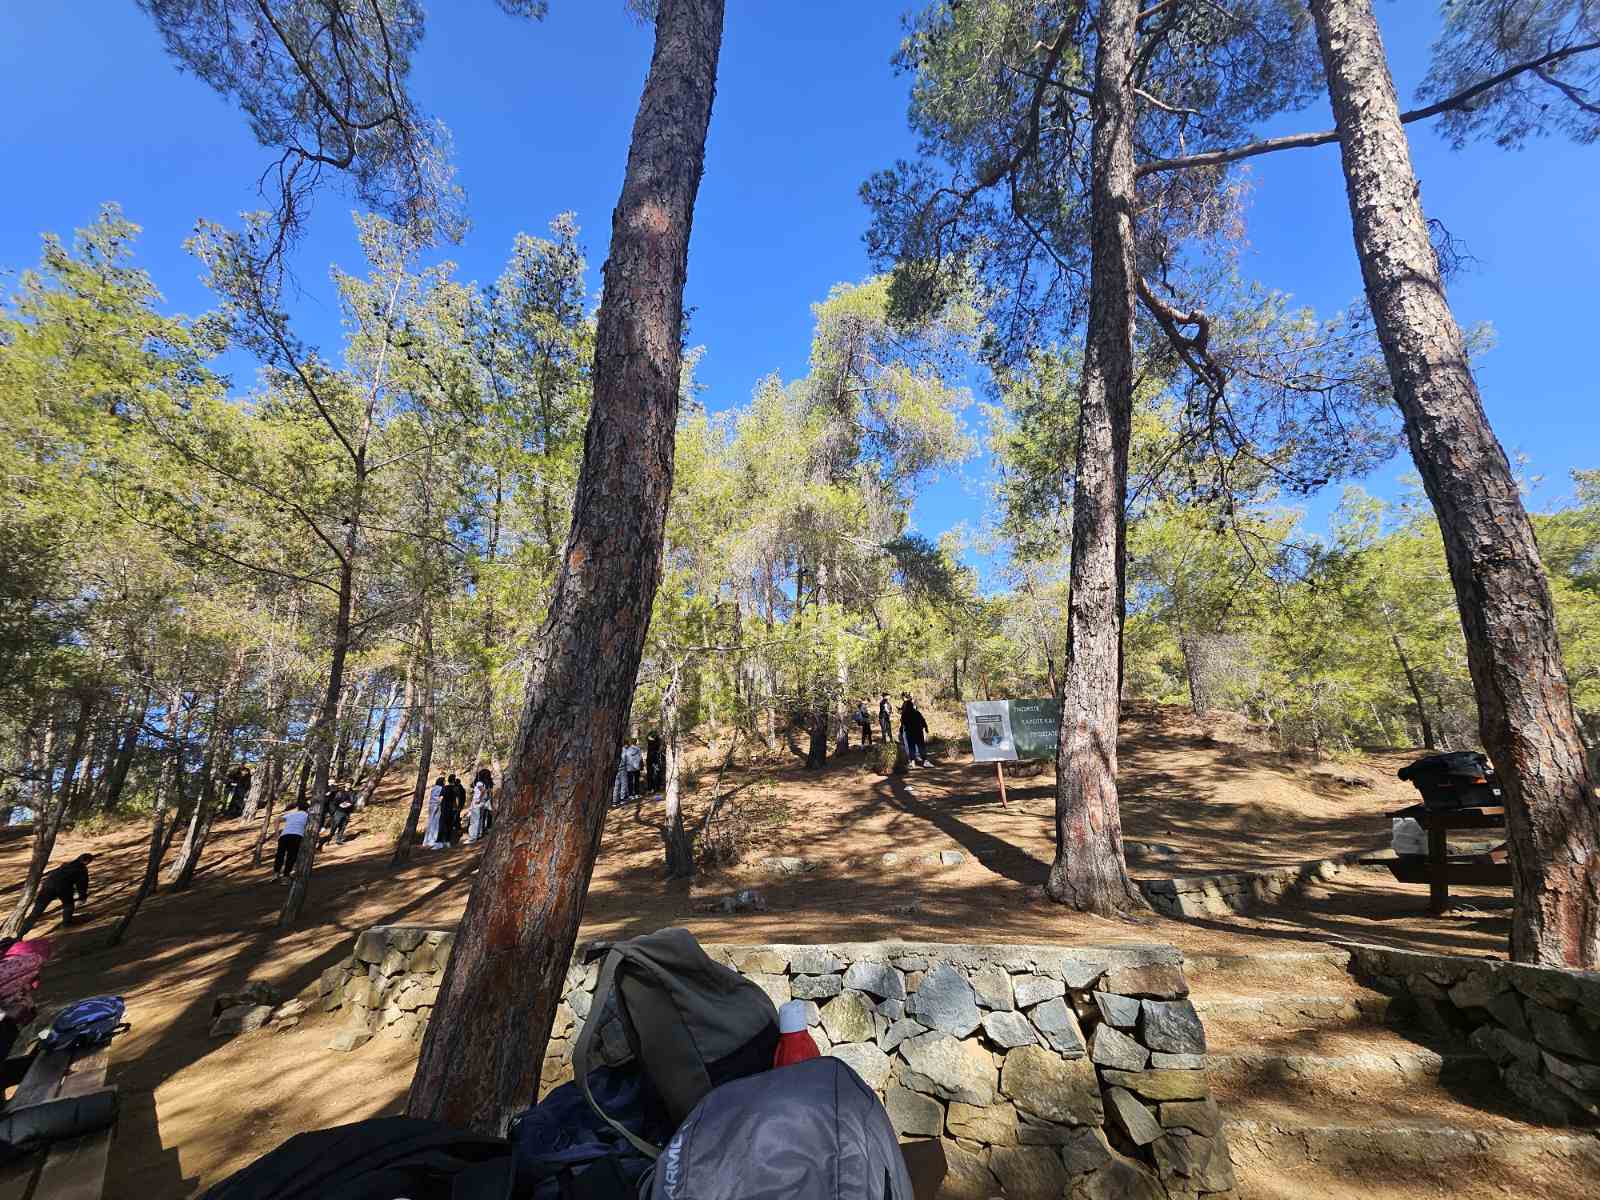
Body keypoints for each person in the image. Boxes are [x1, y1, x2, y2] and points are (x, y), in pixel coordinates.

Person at [27, 854, 93, 929]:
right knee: (68, 905)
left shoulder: (66, 865)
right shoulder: (82, 870)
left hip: (47, 886)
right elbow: (82, 885)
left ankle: (22, 929)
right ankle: (66, 923)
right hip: (63, 888)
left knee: (37, 910)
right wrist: (82, 896)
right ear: (86, 862)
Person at [274, 802, 310, 880]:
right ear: (307, 809)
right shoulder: (307, 815)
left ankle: (276, 874)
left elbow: (277, 819)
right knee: (291, 856)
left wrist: (277, 834)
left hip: (284, 835)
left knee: (280, 854)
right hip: (297, 836)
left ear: (298, 808)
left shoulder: (292, 814)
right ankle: (286, 876)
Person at [323, 779, 356, 845]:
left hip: (347, 812)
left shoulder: (353, 793)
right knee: (334, 826)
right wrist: (339, 805)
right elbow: (335, 802)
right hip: (339, 811)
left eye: (350, 784)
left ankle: (338, 840)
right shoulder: (340, 792)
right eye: (348, 783)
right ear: (345, 784)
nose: (349, 785)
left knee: (343, 826)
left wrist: (350, 804)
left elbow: (354, 801)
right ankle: (328, 839)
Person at [899, 693, 929, 767]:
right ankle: (925, 761)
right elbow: (923, 720)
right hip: (919, 732)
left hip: (909, 732)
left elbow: (903, 724)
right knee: (921, 746)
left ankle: (912, 762)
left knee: (911, 747)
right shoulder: (917, 712)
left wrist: (901, 731)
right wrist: (926, 728)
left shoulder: (904, 715)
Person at [423, 775, 446, 848]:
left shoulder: (434, 788)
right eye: (444, 781)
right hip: (437, 806)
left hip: (431, 805)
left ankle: (426, 841)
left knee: (430, 822)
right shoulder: (441, 788)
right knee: (436, 823)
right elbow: (441, 798)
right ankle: (433, 840)